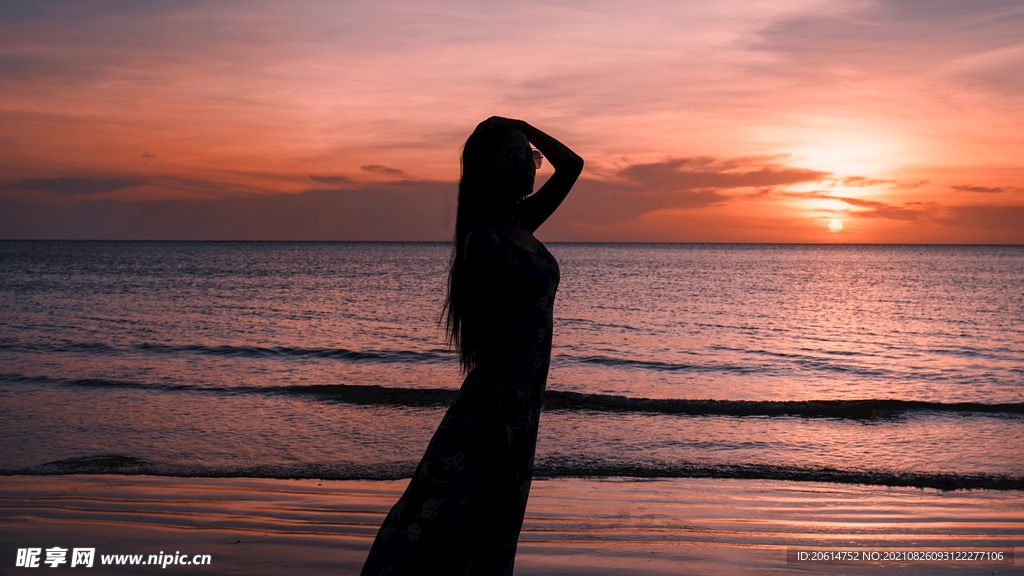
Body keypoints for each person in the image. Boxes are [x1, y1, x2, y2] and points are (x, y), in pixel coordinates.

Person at [361, 117, 583, 575]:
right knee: (446, 514)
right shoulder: (485, 238)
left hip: (521, 404)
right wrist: (498, 420)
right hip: (495, 408)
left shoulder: (519, 224)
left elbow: (573, 165)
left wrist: (520, 126)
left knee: (493, 519)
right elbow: (487, 342)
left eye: (531, 158)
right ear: (489, 167)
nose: (530, 165)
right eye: (518, 156)